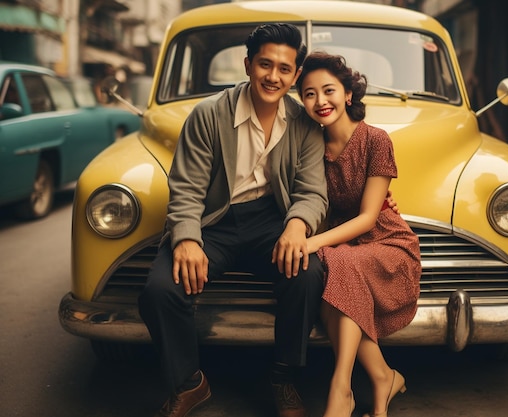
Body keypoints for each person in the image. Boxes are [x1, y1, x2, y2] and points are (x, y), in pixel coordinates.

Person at [138, 24, 329, 417]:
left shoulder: (305, 124)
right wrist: (188, 238)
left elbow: (312, 191)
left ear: (295, 75)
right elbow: (187, 187)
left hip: (272, 221)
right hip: (214, 222)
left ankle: (283, 376)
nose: (273, 76)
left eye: (284, 69)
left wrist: (298, 225)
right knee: (159, 290)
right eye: (264, 64)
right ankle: (189, 383)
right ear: (247, 64)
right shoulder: (208, 114)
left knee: (307, 274)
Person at [295, 52, 421, 417]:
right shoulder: (310, 146)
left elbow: (368, 218)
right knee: (337, 267)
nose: (321, 101)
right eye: (309, 94)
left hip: (387, 243)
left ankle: (341, 387)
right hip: (344, 247)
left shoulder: (376, 139)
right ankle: (382, 377)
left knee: (338, 261)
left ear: (348, 93)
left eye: (329, 90)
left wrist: (314, 241)